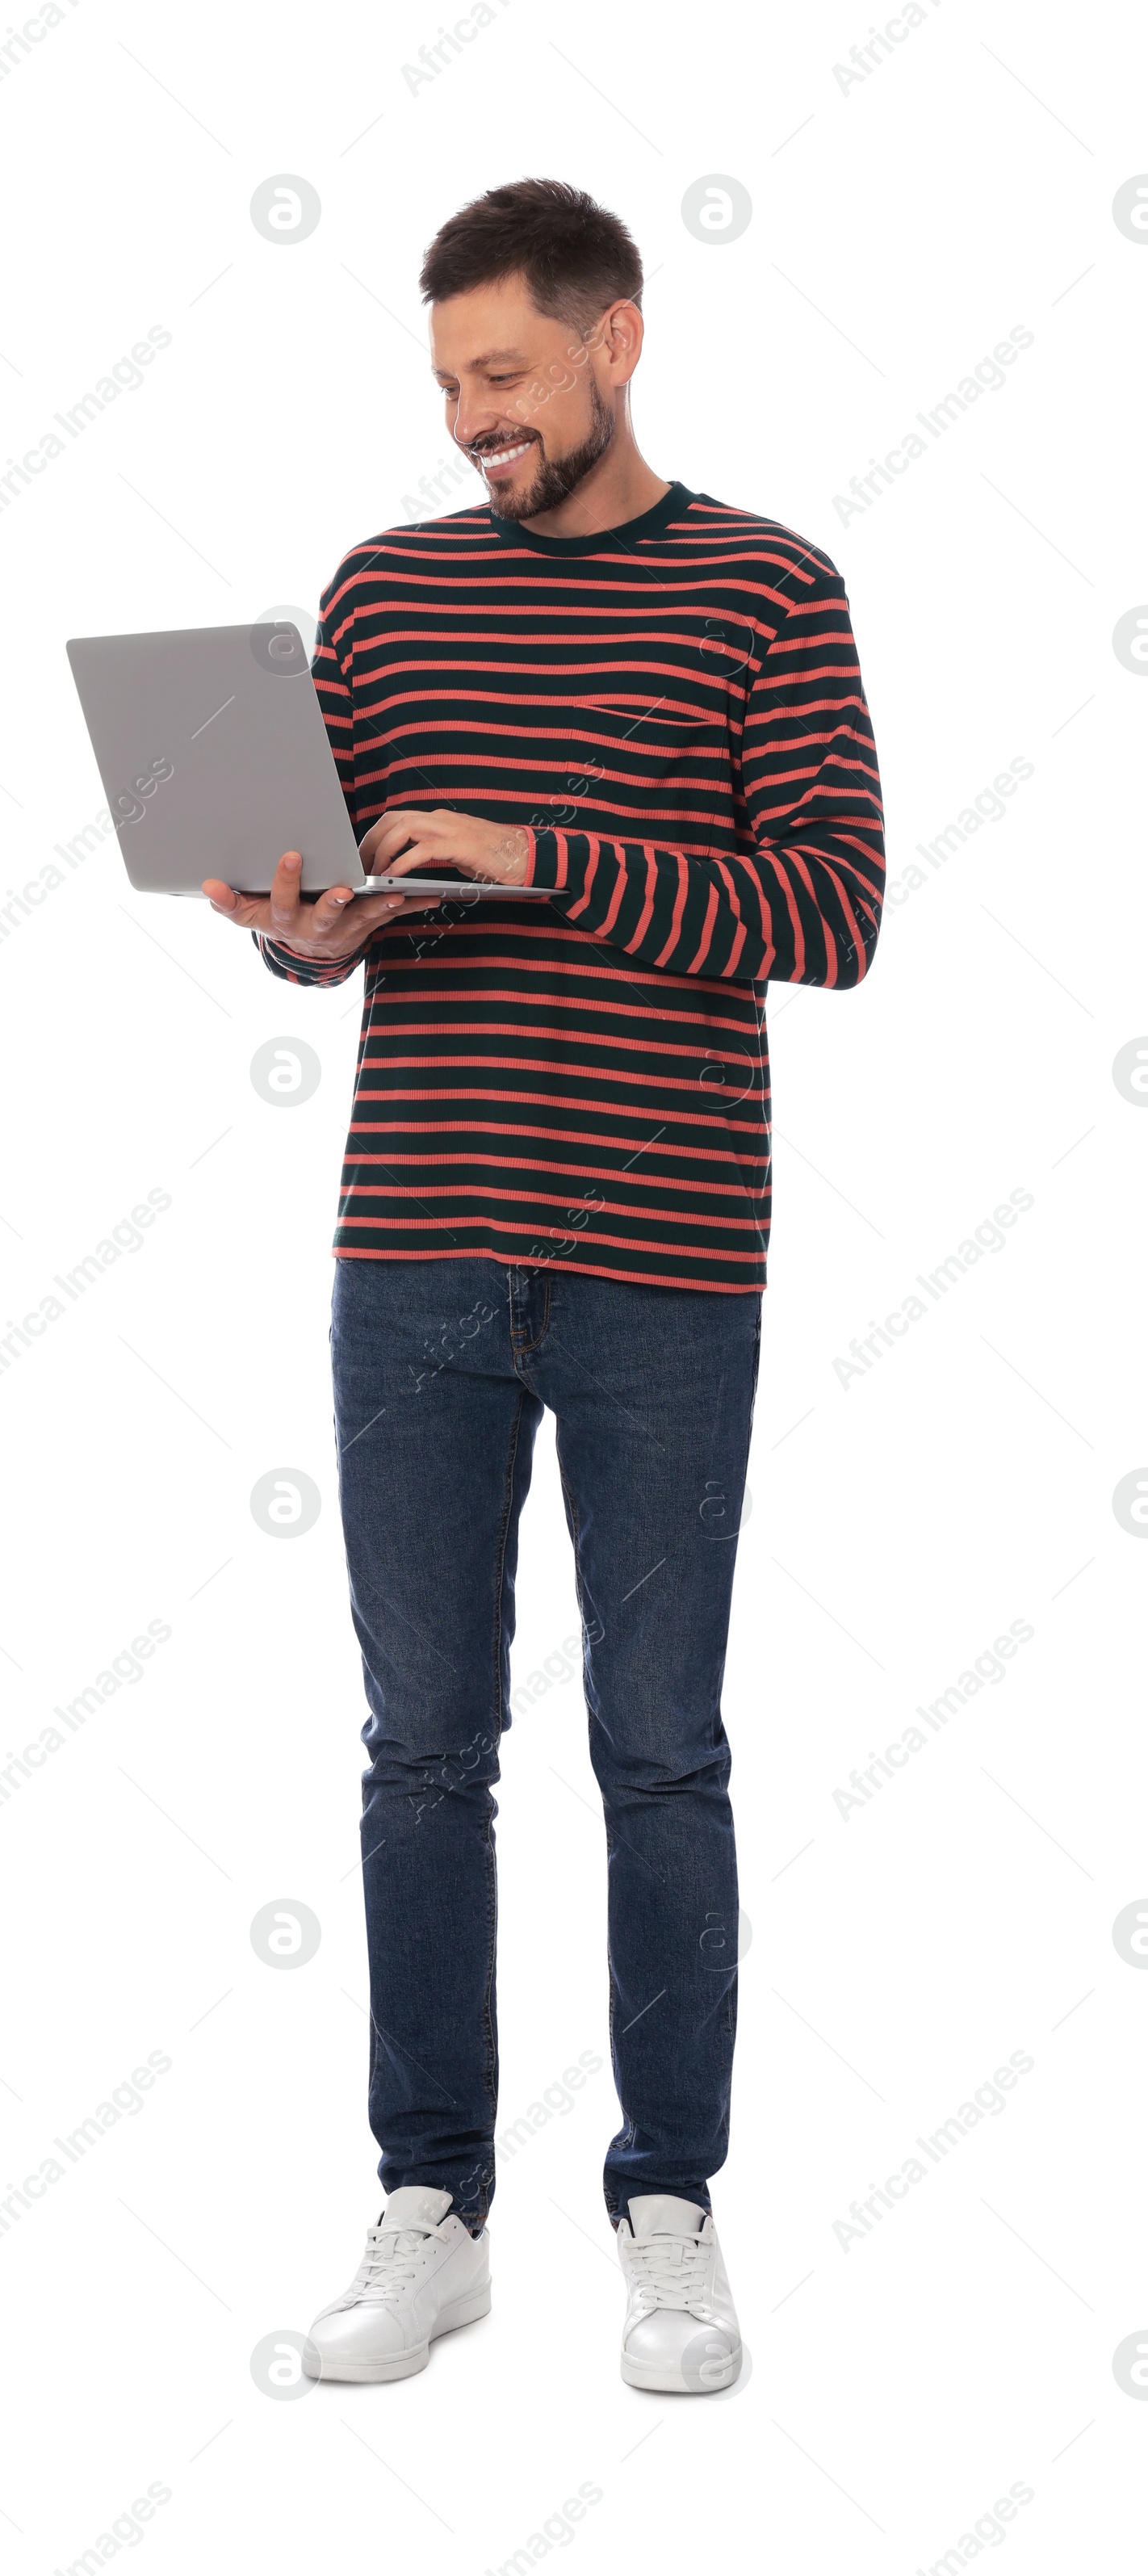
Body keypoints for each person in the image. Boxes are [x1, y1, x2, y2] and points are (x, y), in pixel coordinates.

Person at [204, 177, 885, 2390]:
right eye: (445, 387)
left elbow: (832, 910)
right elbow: (343, 892)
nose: (472, 418)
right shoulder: (382, 598)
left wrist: (533, 852)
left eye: (502, 374)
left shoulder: (769, 590)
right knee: (423, 1753)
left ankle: (669, 2206)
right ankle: (434, 2208)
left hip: (668, 1258)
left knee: (659, 1748)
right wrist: (297, 924)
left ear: (617, 338)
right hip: (410, 1247)